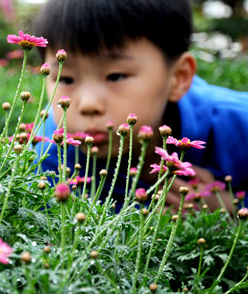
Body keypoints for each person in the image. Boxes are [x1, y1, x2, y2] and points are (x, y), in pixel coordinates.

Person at [32, 0, 248, 211]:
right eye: (66, 79)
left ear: (178, 77)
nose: (88, 105)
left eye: (115, 76)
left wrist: (233, 207)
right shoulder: (46, 161)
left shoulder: (239, 125)